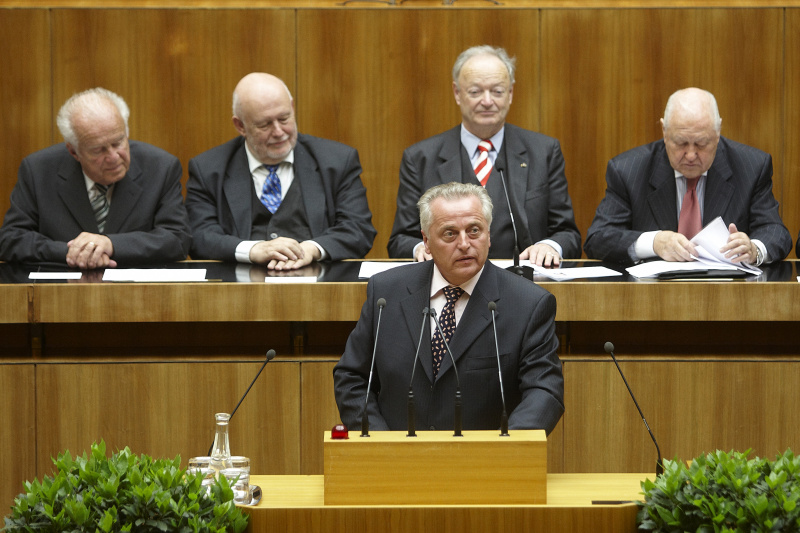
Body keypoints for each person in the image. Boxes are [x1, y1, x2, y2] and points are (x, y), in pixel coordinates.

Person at [334, 182, 564, 434]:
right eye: (450, 233)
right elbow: (352, 379)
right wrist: (384, 444)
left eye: (474, 230)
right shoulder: (386, 293)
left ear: (489, 235)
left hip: (484, 465)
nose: (464, 243)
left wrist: (502, 450)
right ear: (427, 242)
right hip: (396, 462)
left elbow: (545, 392)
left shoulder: (529, 304)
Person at [387, 45, 580, 267]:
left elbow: (568, 234)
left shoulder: (543, 151)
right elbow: (400, 240)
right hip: (450, 282)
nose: (487, 101)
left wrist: (550, 246)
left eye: (497, 91)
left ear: (510, 94)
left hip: (525, 284)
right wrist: (419, 248)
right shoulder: (421, 158)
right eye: (475, 91)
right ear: (457, 93)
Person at [186, 73, 376, 270]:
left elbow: (358, 229)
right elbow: (198, 235)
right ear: (240, 125)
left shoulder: (337, 161)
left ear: (292, 108)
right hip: (238, 291)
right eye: (264, 124)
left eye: (284, 118)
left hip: (321, 288)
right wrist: (252, 250)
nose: (279, 132)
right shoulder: (208, 169)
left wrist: (311, 249)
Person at [584, 87, 792, 266]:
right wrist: (654, 242)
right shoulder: (628, 170)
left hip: (728, 296)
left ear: (718, 133)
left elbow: (775, 231)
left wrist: (754, 249)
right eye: (681, 143)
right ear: (664, 131)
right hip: (651, 298)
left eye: (702, 144)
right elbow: (598, 238)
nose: (691, 155)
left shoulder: (751, 166)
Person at [0, 88, 191, 269]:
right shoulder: (38, 170)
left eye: (118, 142)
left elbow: (177, 239)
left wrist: (111, 244)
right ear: (74, 151)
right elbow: (11, 239)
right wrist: (76, 252)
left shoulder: (160, 167)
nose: (114, 157)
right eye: (98, 150)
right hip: (60, 293)